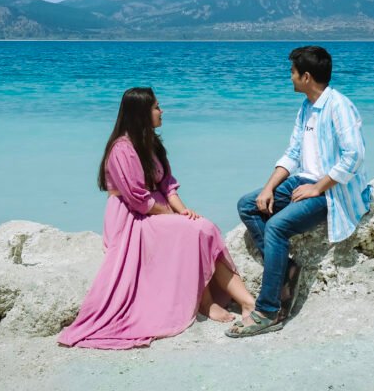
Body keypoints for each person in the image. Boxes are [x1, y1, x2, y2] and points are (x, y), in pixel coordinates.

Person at [57, 87, 255, 349]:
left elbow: (167, 186)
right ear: (141, 113)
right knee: (197, 230)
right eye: (156, 107)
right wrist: (175, 215)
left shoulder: (151, 143)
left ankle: (239, 302)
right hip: (131, 218)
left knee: (202, 227)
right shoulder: (122, 149)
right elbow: (139, 200)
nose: (162, 111)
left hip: (155, 211)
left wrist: (183, 211)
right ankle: (220, 302)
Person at [227, 46, 371, 338]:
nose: (289, 78)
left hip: (333, 191)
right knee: (248, 205)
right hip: (304, 180)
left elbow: (354, 156)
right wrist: (269, 188)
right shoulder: (306, 106)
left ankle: (269, 311)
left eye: (292, 73)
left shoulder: (339, 106)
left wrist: (317, 188)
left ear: (306, 76)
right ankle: (287, 269)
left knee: (277, 227)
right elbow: (293, 153)